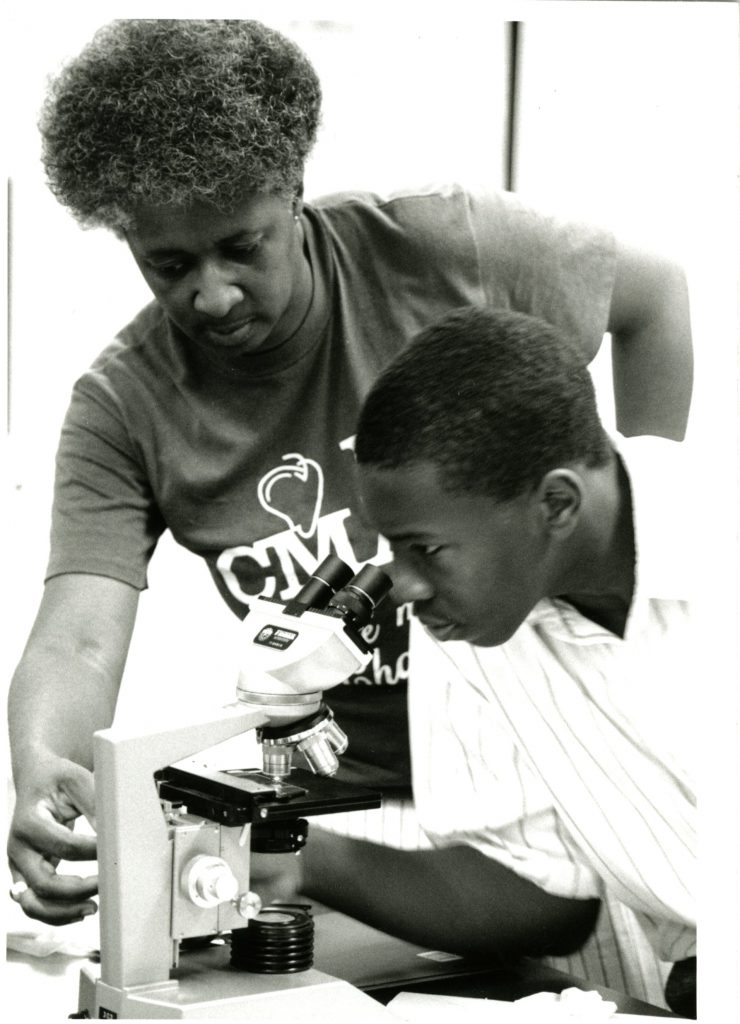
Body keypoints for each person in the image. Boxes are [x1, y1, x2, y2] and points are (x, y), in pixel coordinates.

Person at [7, 18, 692, 981]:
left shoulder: (442, 247)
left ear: (293, 191)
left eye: (241, 246)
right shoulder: (126, 402)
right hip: (354, 813)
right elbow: (78, 637)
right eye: (168, 265)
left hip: (568, 794)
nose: (210, 294)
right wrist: (46, 773)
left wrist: (646, 564)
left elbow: (654, 298)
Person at [351, 305, 697, 1016]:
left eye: (427, 548)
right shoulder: (469, 620)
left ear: (557, 504)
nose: (401, 585)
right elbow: (541, 891)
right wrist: (288, 861)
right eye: (393, 549)